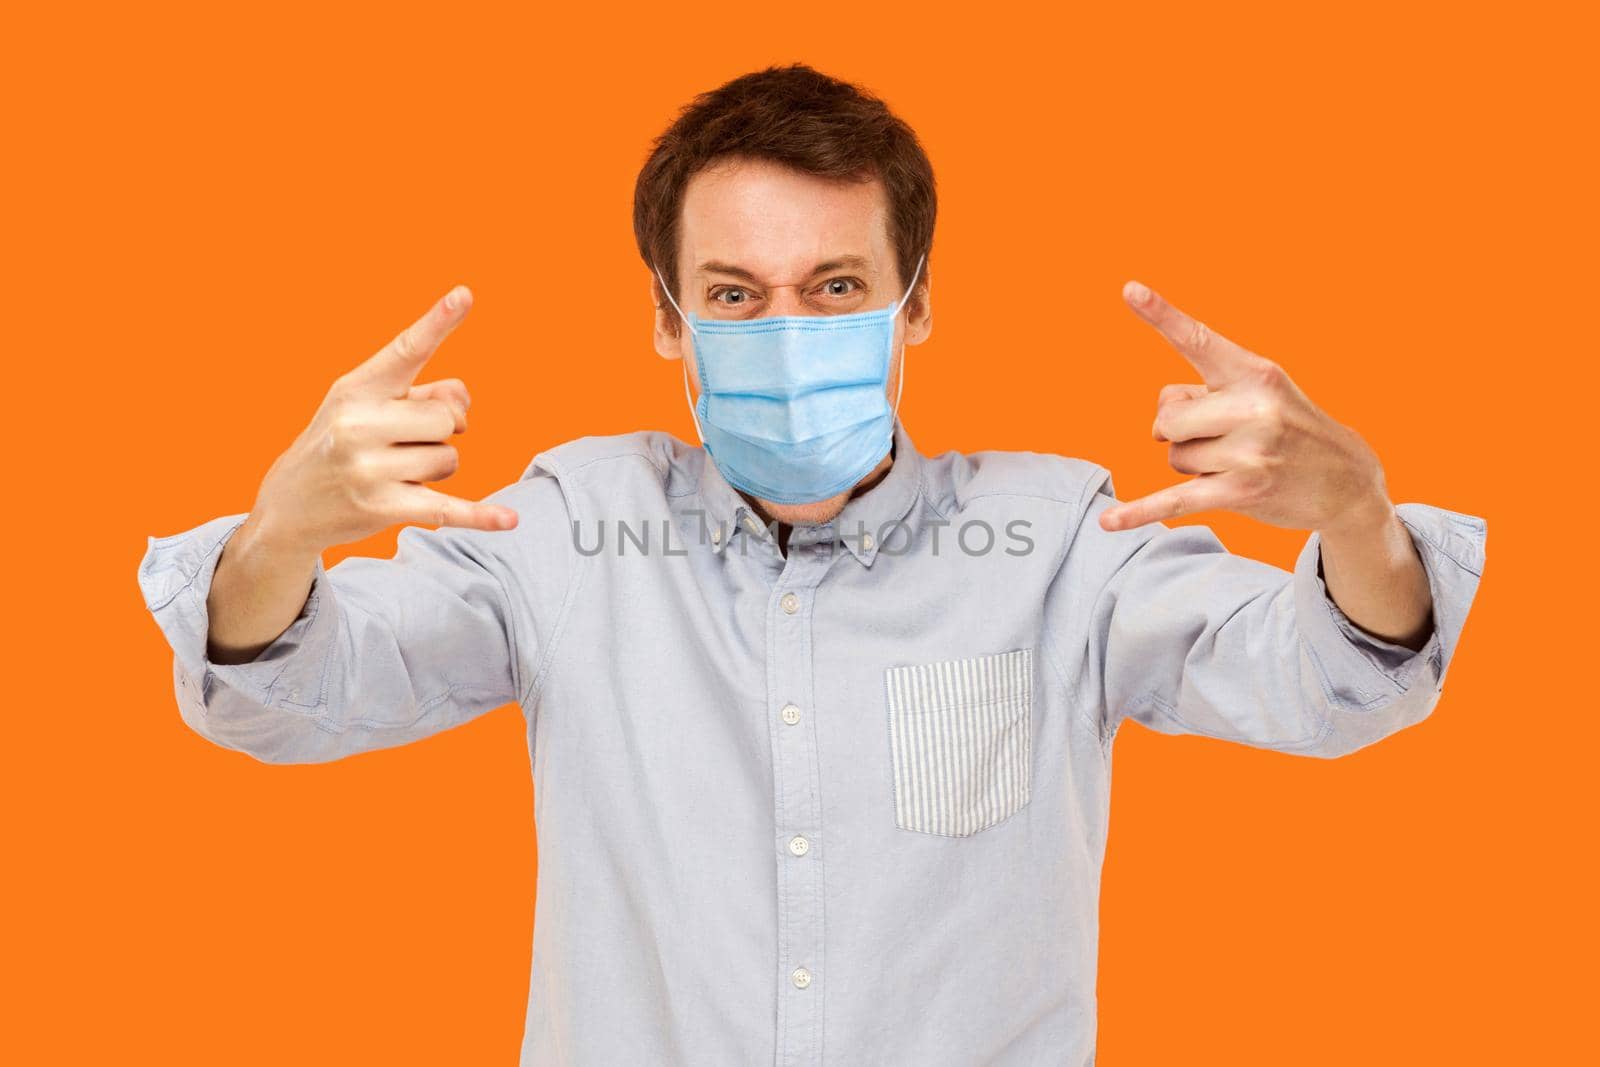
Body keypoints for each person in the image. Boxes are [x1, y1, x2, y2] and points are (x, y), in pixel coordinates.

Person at [137, 63, 1488, 1066]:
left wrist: (1359, 518)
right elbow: (285, 692)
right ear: (671, 320)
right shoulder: (560, 529)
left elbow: (1335, 685)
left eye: (836, 287)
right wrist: (282, 537)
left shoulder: (1065, 541)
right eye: (735, 294)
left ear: (918, 303)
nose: (788, 328)